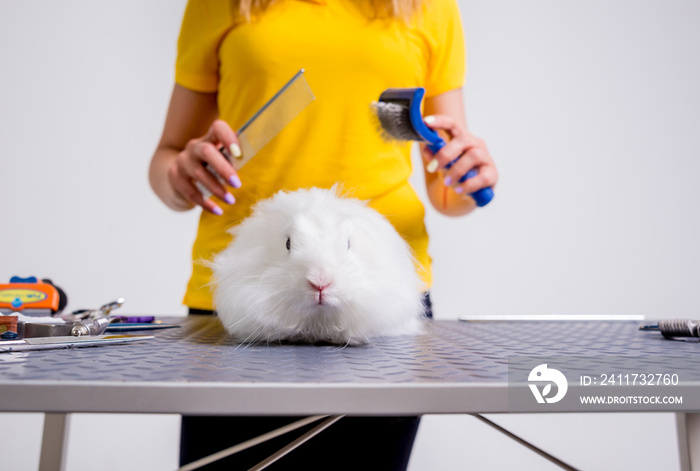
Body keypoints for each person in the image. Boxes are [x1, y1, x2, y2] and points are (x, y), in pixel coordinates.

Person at [149, 0, 498, 469]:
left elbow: (446, 188)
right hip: (243, 296)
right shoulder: (218, 4)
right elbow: (167, 159)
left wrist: (468, 172)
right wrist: (180, 175)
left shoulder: (429, 7)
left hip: (378, 300)